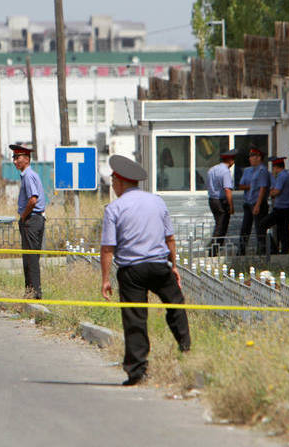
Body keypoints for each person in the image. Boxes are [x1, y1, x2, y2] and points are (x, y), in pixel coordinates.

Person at [100, 155, 191, 386]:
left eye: (113, 181)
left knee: (135, 319)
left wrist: (105, 279)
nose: (113, 185)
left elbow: (108, 248)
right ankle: (186, 347)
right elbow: (170, 239)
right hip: (159, 266)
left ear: (120, 182)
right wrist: (174, 266)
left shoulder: (114, 208)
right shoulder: (157, 202)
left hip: (131, 271)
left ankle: (136, 371)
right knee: (175, 304)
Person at [10, 143, 46, 299]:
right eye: (14, 158)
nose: (14, 161)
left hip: (31, 219)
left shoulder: (28, 176)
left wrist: (23, 216)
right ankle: (31, 291)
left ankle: (34, 293)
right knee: (30, 257)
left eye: (17, 157)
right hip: (34, 219)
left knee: (31, 258)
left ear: (26, 159)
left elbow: (33, 200)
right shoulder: (29, 175)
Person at [237, 147, 269, 255]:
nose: (250, 158)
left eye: (252, 156)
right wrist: (250, 187)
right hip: (248, 202)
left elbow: (262, 188)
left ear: (259, 158)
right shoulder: (248, 170)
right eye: (250, 156)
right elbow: (241, 185)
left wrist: (258, 205)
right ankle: (241, 251)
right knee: (245, 228)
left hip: (257, 203)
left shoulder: (262, 170)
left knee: (259, 228)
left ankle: (261, 251)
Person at [260, 156, 289, 254]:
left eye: (273, 167)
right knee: (283, 231)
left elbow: (276, 191)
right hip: (287, 207)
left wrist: (269, 193)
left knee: (263, 225)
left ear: (276, 167)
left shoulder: (281, 176)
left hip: (280, 209)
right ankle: (284, 252)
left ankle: (273, 249)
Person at [206, 148, 236, 255]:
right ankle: (213, 250)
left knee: (218, 224)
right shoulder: (225, 172)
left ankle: (214, 248)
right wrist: (231, 206)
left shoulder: (212, 169)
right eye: (233, 160)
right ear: (230, 160)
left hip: (212, 200)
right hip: (220, 201)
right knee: (221, 225)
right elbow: (227, 190)